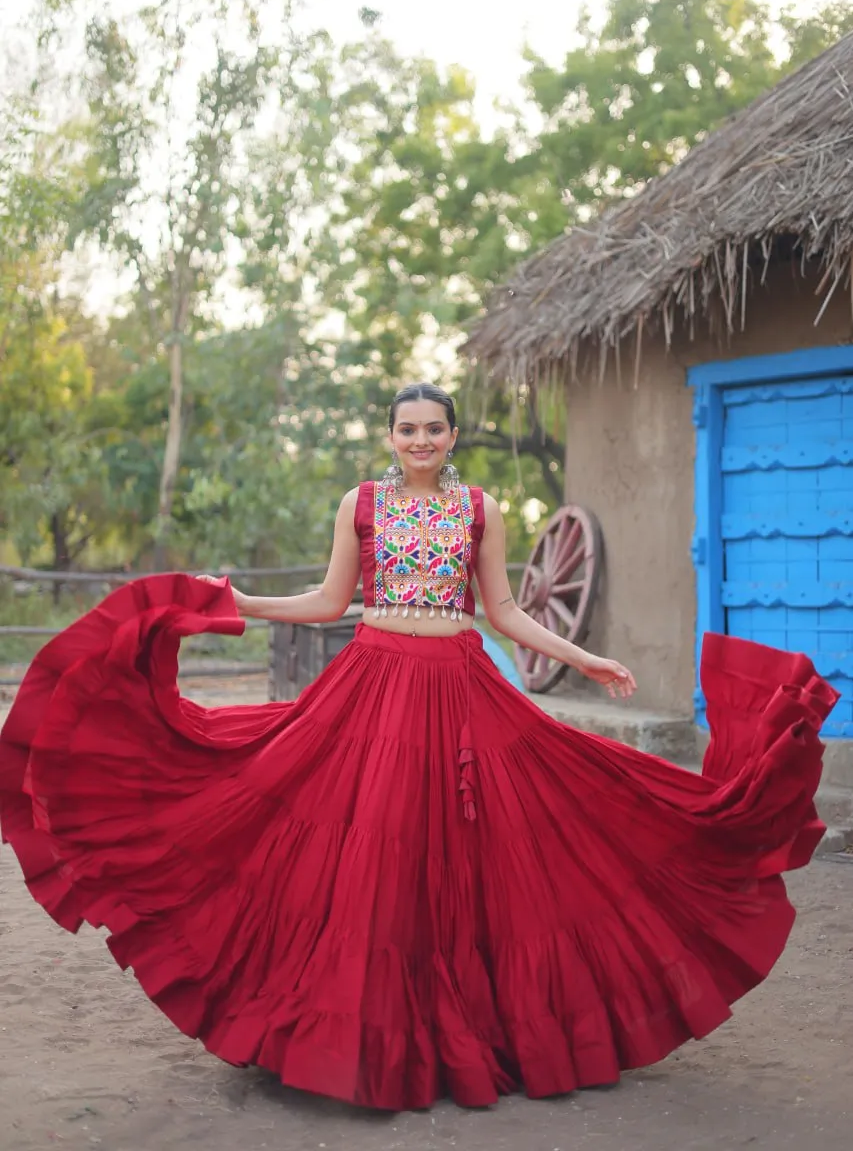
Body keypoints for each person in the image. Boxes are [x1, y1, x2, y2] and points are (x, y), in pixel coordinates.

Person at [0, 382, 836, 1112]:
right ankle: (358, 1041)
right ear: (390, 437)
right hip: (373, 686)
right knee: (371, 852)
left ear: (453, 436)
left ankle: (467, 1032)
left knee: (486, 847)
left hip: (461, 686)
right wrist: (237, 600)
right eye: (408, 429)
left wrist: (583, 657)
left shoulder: (479, 510)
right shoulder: (360, 504)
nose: (422, 441)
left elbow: (502, 611)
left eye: (435, 428)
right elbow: (331, 603)